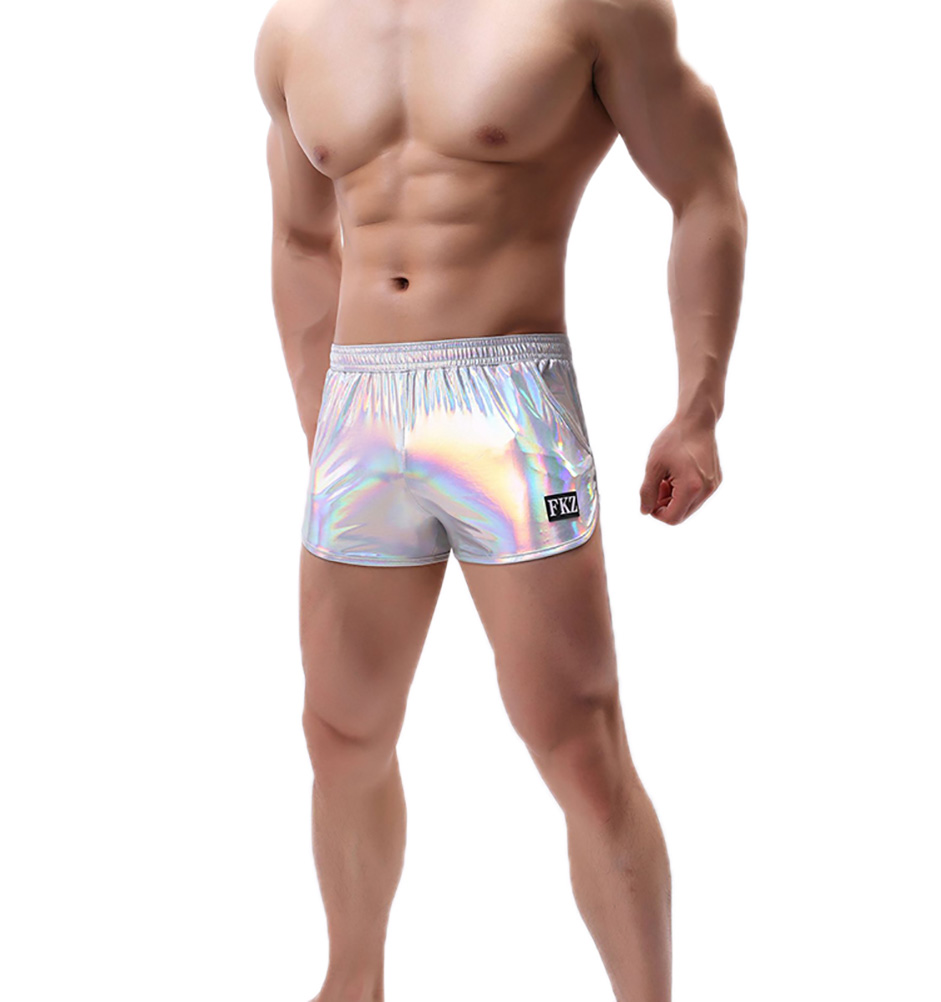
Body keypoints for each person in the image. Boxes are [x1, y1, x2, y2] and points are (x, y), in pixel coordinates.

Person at [254, 0, 746, 996]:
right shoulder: (297, 29)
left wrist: (697, 409)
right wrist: (322, 421)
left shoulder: (590, 11)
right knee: (339, 735)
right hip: (359, 408)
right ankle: (352, 984)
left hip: (507, 405)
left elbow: (706, 194)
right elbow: (303, 240)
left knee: (578, 745)